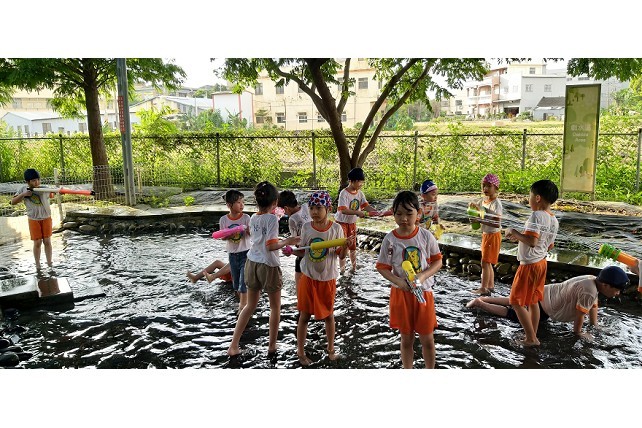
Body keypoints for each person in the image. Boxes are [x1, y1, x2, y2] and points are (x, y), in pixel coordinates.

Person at [227, 182, 299, 357]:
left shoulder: (253, 217)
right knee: (275, 307)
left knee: (250, 305)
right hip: (268, 265)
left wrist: (277, 239)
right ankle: (272, 346)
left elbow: (259, 238)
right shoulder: (272, 219)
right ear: (275, 203)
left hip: (252, 262)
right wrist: (288, 241)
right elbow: (271, 245)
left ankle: (233, 345)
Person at [466, 265, 630, 340]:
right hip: (544, 308)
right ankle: (480, 303)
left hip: (544, 293)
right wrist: (579, 333)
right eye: (617, 290)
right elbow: (580, 315)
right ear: (606, 285)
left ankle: (484, 299)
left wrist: (594, 324)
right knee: (513, 315)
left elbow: (593, 304)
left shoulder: (592, 280)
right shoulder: (590, 291)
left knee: (516, 301)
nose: (617, 294)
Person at [376, 190, 443, 369]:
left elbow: (437, 261)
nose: (404, 218)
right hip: (401, 294)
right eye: (399, 214)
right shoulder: (390, 239)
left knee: (427, 339)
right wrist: (399, 282)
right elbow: (382, 267)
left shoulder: (425, 236)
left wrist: (423, 275)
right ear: (393, 213)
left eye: (409, 213)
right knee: (406, 339)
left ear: (418, 213)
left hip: (424, 293)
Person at [290, 191, 353, 366]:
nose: (314, 212)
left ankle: (331, 349)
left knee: (329, 316)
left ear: (328, 208)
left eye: (319, 208)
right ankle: (300, 351)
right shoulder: (306, 228)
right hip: (308, 277)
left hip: (327, 279)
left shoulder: (336, 229)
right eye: (311, 208)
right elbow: (303, 251)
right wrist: (291, 251)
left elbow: (340, 255)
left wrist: (346, 246)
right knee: (304, 315)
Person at [504, 179, 559, 346]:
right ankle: (533, 334)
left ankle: (531, 338)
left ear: (537, 198)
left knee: (516, 302)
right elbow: (548, 245)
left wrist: (513, 232)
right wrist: (520, 238)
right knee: (533, 301)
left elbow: (532, 241)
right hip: (541, 263)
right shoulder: (554, 220)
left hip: (529, 265)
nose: (529, 200)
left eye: (530, 196)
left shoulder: (536, 216)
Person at [334, 167, 377, 274]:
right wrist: (358, 212)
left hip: (352, 223)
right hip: (341, 223)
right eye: (359, 182)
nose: (361, 184)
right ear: (352, 181)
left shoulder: (360, 193)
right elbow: (343, 210)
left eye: (362, 182)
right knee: (343, 245)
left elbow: (366, 206)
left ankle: (353, 268)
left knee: (353, 246)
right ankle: (342, 270)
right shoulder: (344, 193)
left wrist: (377, 212)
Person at [214, 189, 252, 313]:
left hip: (246, 253)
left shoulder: (246, 218)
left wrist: (247, 230)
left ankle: (243, 308)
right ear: (229, 205)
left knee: (243, 282)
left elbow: (251, 234)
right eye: (239, 202)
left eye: (243, 202)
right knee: (236, 284)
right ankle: (241, 303)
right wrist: (231, 233)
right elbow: (222, 237)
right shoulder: (224, 220)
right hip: (232, 254)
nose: (242, 205)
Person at [11, 168, 53, 269]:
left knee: (47, 241)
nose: (37, 182)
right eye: (34, 180)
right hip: (33, 219)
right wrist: (23, 195)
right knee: (37, 242)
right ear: (28, 182)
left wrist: (59, 191)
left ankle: (50, 263)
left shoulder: (44, 188)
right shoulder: (23, 189)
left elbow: (52, 194)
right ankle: (38, 265)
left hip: (46, 217)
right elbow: (13, 202)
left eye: (38, 179)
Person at [469, 173, 503, 295]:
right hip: (486, 234)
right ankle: (490, 286)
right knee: (487, 262)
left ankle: (483, 288)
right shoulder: (484, 201)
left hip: (493, 235)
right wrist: (474, 208)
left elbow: (497, 223)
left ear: (496, 188)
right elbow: (480, 211)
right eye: (484, 186)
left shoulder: (496, 204)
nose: (485, 188)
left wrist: (479, 220)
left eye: (489, 186)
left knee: (485, 262)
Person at [277, 190, 311, 287]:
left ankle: (299, 294)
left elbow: (295, 240)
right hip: (316, 246)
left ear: (286, 208)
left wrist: (288, 247)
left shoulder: (292, 219)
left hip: (303, 252)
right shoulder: (306, 206)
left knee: (299, 279)